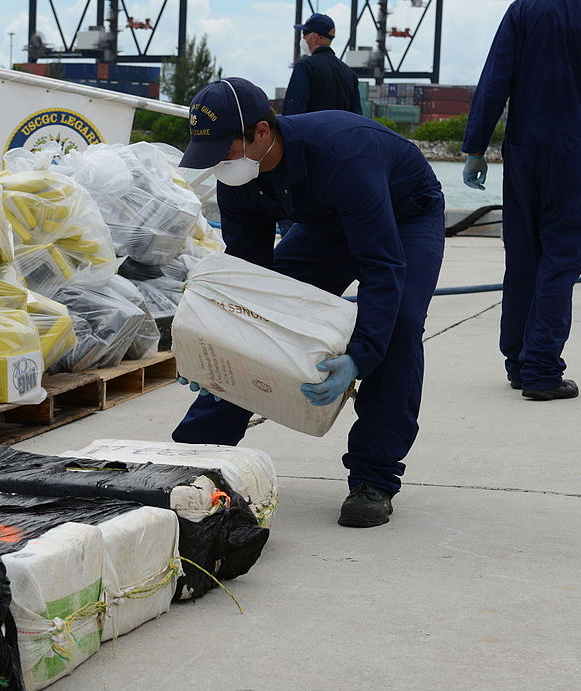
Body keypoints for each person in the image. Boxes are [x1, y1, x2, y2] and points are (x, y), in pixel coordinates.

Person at [175, 77, 444, 528]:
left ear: (262, 132)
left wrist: (360, 356)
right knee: (257, 322)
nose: (219, 162)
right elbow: (250, 282)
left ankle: (373, 478)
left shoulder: (344, 157)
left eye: (226, 149)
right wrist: (214, 355)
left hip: (404, 216)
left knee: (397, 329)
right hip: (326, 225)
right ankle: (194, 454)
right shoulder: (239, 175)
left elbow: (382, 266)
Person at [462, 0, 581, 401]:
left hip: (525, 149)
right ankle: (541, 369)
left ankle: (518, 362)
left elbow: (495, 79)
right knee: (560, 262)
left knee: (523, 257)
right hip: (576, 156)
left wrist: (476, 146)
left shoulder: (524, 11)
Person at [283, 13, 362, 116]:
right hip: (341, 131)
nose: (303, 38)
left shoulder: (305, 67)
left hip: (311, 131)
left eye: (304, 33)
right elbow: (357, 116)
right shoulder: (350, 74)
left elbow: (293, 112)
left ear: (315, 37)